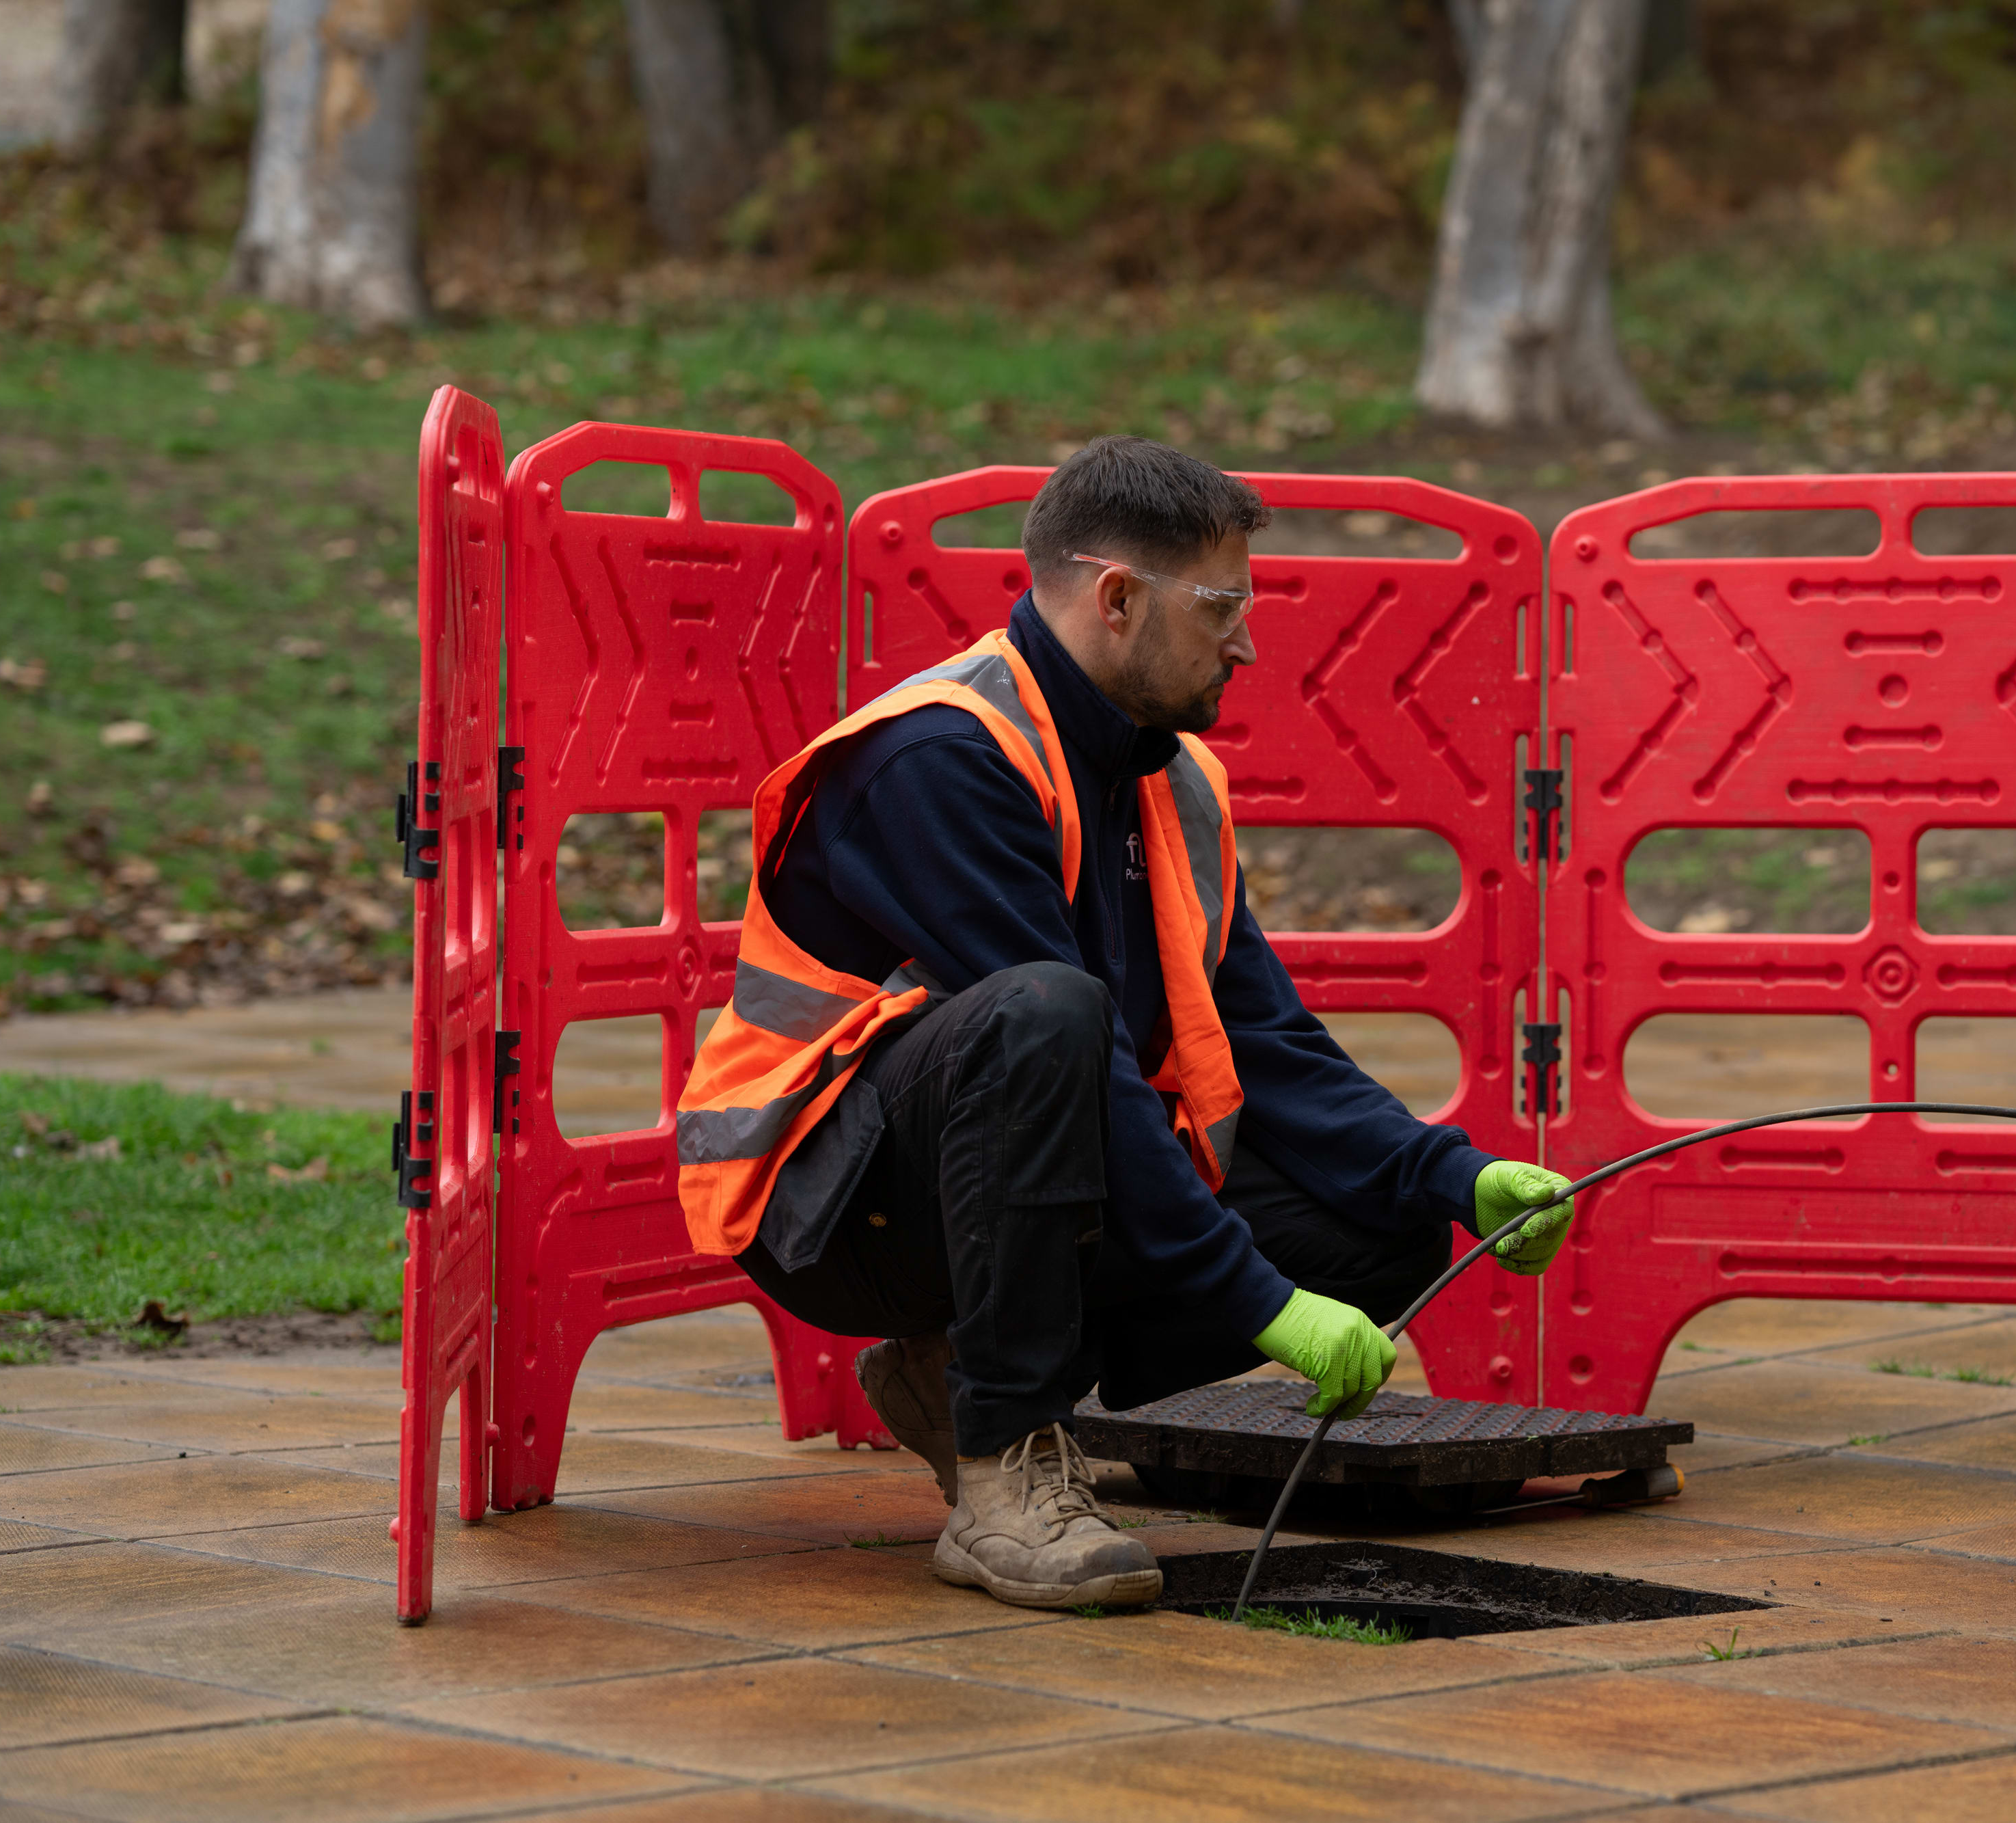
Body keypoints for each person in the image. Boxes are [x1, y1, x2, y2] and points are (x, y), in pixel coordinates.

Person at [675, 435, 1574, 1612]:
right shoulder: (938, 755)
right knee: (1047, 1011)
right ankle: (1002, 1462)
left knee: (1382, 1232)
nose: (1245, 641)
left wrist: (1454, 1175)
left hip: (1006, 1174)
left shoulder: (1172, 779)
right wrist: (1259, 1305)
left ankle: (955, 1376)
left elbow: (1263, 1038)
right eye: (1220, 609)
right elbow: (1066, 1054)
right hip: (840, 1207)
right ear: (1115, 599)